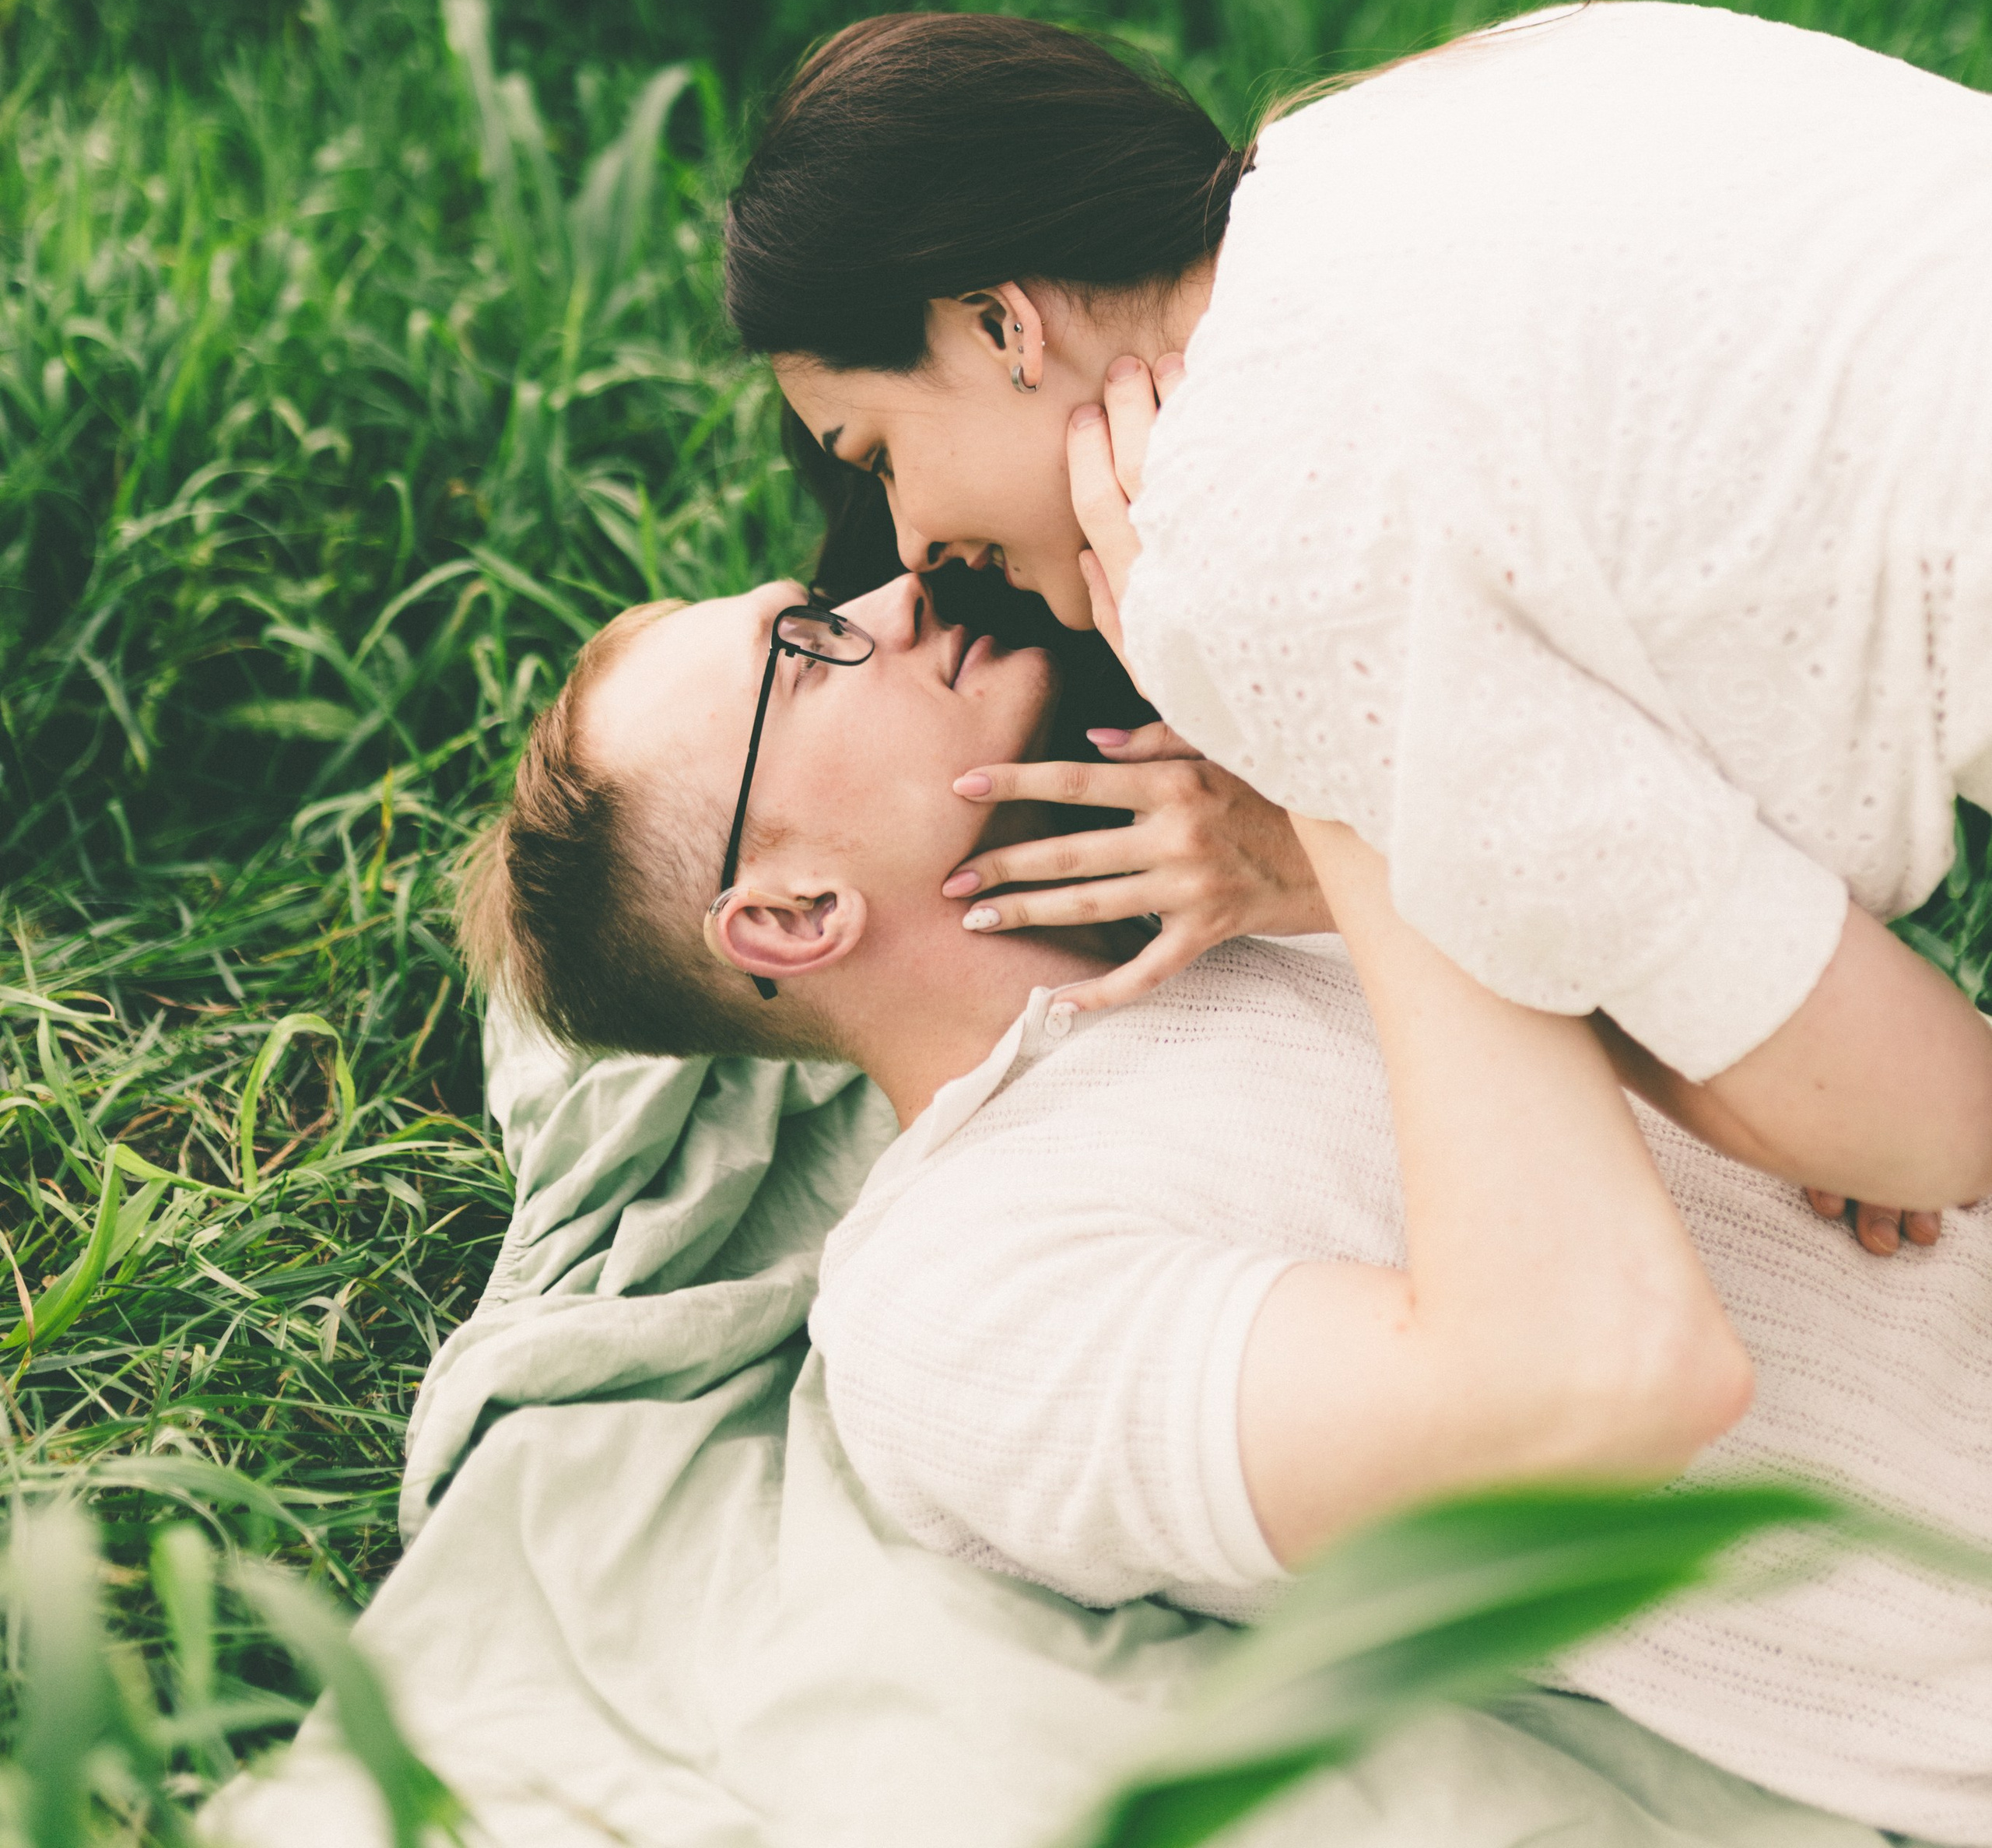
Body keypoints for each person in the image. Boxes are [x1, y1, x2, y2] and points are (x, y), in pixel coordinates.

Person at [458, 568, 1992, 1848]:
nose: (894, 591)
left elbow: (1922, 1106)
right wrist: (1357, 835)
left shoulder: (1264, 893)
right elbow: (1584, 1391)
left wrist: (1318, 864)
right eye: (804, 654)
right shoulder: (946, 1306)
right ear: (790, 916)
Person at [722, 2, 1992, 1219]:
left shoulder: (1243, 555)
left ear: (1001, 320)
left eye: (877, 452)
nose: (909, 547)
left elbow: (1933, 1121)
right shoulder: (1411, 121)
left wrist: (1370, 843)